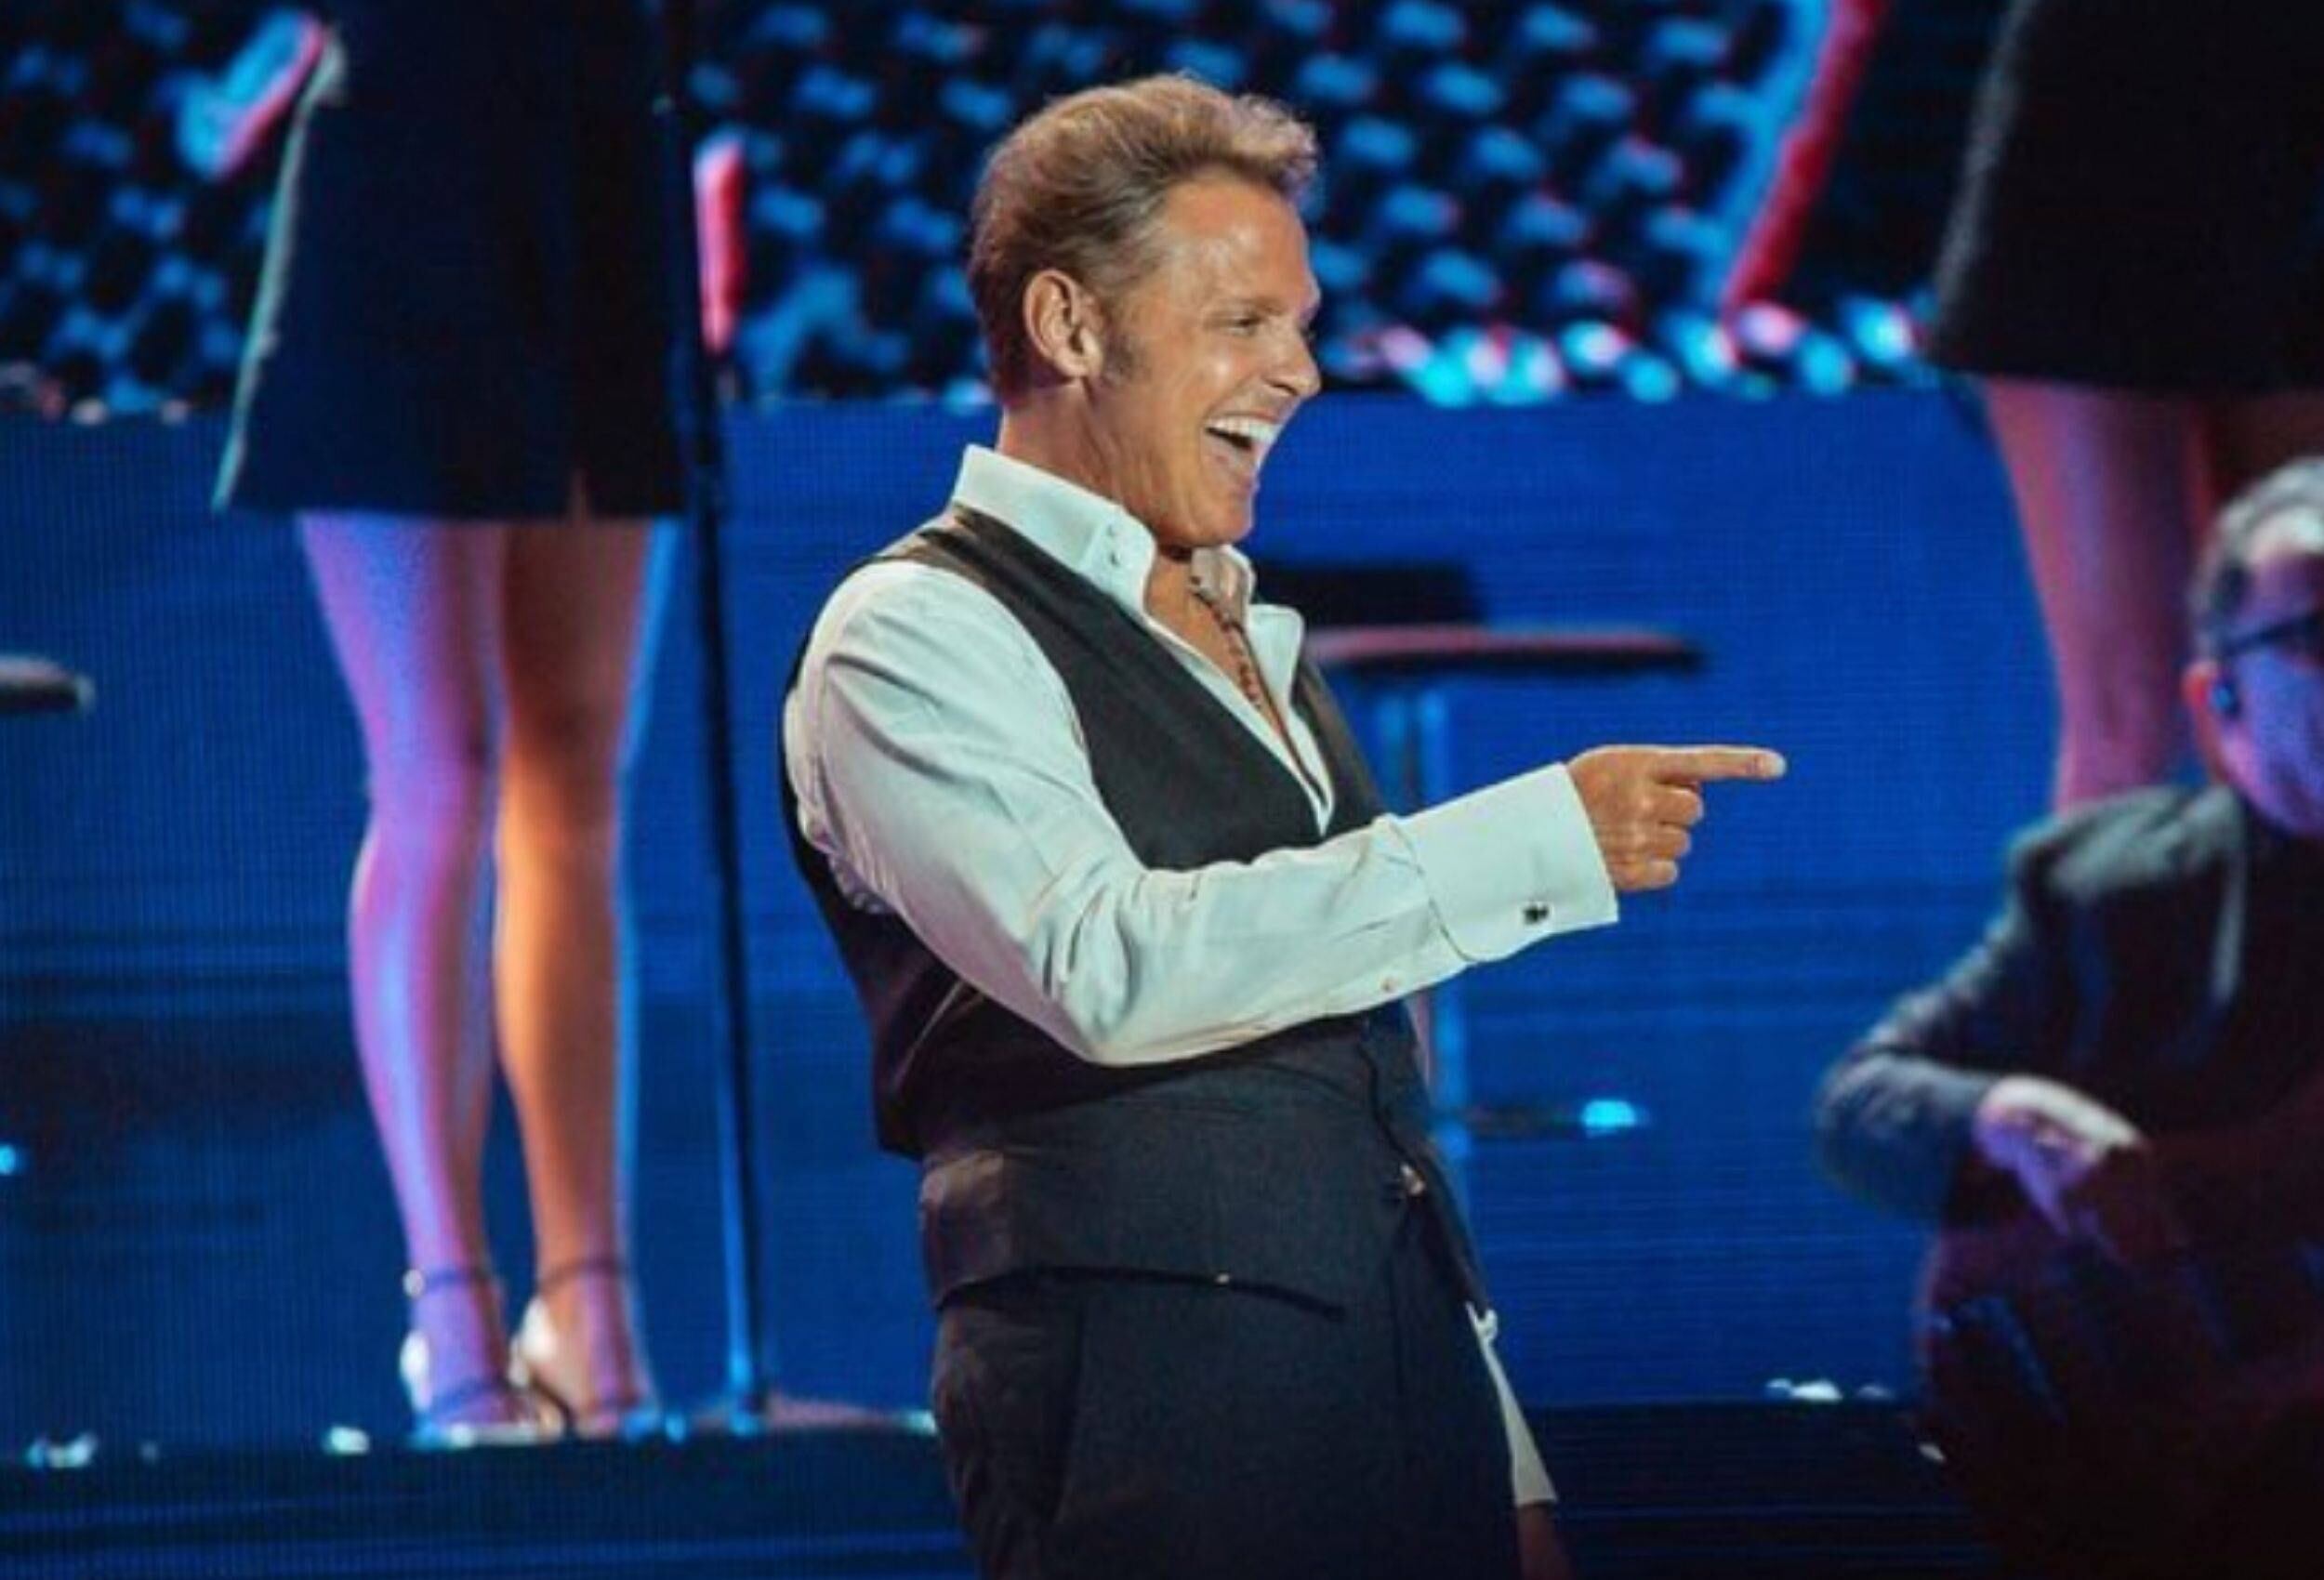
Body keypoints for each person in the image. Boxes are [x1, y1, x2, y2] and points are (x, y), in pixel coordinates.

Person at [782, 75, 1785, 1580]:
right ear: (1068, 327)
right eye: (1242, 322)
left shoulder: (1252, 633)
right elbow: (1102, 965)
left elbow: (1361, 1096)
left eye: (1301, 324)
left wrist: (1504, 1458)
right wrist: (1532, 843)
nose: (1299, 371)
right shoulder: (914, 633)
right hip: (1154, 1420)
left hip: (1406, 1407)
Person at [215, 2, 679, 1443]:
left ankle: (590, 1308)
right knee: (443, 771)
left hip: (600, 154)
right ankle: (453, 1311)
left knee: (576, 776)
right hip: (406, 167)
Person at [1815, 457, 2324, 1574]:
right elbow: (1861, 1103)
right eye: (2317, 634)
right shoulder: (2109, 890)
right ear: (2219, 697)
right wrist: (2013, 1119)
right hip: (2150, 1488)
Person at [1925, 0, 2324, 807]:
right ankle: (2100, 893)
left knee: (2296, 686)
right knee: (2128, 722)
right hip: (2098, 112)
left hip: (2294, 120)